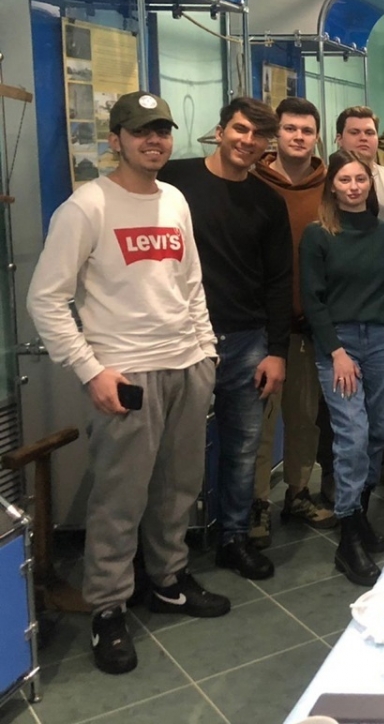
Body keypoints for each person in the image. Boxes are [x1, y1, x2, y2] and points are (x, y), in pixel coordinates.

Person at [27, 91, 227, 675]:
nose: (154, 140)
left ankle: (167, 581)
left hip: (186, 365)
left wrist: (206, 353)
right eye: (141, 131)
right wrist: (91, 371)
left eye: (161, 130)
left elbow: (191, 282)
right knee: (119, 500)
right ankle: (108, 608)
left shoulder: (175, 200)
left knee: (177, 489)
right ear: (116, 139)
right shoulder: (86, 207)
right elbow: (46, 300)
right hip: (125, 373)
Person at [159, 97, 291, 582]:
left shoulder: (267, 202)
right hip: (182, 339)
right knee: (175, 453)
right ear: (220, 131)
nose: (247, 141)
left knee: (241, 448)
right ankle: (164, 554)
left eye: (258, 135)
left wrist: (276, 352)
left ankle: (233, 539)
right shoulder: (173, 181)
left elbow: (279, 281)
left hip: (246, 340)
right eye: (239, 129)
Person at [299, 151, 384, 586]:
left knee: (377, 433)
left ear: (370, 183)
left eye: (360, 179)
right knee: (351, 435)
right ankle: (348, 537)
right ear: (332, 185)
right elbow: (313, 300)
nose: (353, 187)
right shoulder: (318, 235)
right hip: (340, 346)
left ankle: (360, 515)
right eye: (345, 180)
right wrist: (335, 352)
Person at [247, 97, 335, 548]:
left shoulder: (330, 187)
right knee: (261, 425)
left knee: (304, 419)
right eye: (290, 129)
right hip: (262, 328)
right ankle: (256, 503)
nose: (298, 137)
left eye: (306, 130)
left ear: (317, 136)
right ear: (276, 135)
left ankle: (297, 493)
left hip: (309, 325)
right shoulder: (252, 183)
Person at [335, 106, 384, 223]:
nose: (363, 138)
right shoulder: (328, 182)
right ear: (339, 139)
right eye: (354, 132)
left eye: (369, 133)